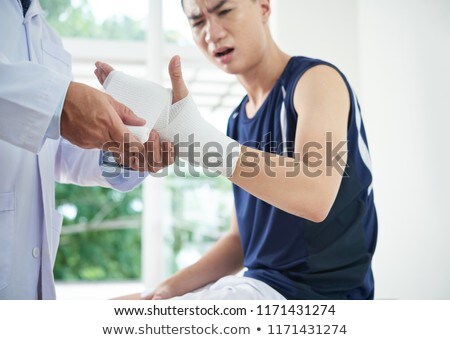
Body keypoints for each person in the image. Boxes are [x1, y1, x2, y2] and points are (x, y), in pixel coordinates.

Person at [105, 0, 377, 300]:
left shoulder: (316, 80)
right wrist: (166, 289)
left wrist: (198, 140)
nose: (212, 33)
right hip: (258, 287)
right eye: (198, 22)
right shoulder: (237, 120)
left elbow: (315, 195)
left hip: (316, 297)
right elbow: (239, 242)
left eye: (224, 11)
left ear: (263, 6)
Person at [0, 0, 174, 299]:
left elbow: (55, 152)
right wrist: (59, 102)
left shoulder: (49, 38)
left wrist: (123, 155)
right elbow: (47, 110)